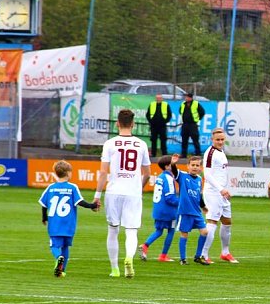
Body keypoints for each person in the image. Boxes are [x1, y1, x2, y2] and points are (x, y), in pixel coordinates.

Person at [94, 109, 152, 279]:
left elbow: (103, 172)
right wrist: (139, 188)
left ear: (117, 123)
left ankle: (115, 269)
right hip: (133, 193)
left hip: (113, 192)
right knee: (131, 231)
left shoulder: (110, 144)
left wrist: (97, 195)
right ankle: (129, 258)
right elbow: (147, 173)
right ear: (133, 124)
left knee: (113, 230)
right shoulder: (141, 144)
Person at [39, 160, 98, 277]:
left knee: (55, 246)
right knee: (65, 246)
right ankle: (62, 270)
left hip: (55, 223)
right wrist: (92, 205)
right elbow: (80, 202)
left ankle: (58, 257)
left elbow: (43, 204)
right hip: (69, 224)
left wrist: (44, 217)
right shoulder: (72, 187)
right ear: (68, 173)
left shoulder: (51, 188)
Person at [201, 128, 237, 264]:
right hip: (213, 192)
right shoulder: (210, 153)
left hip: (222, 192)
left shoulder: (221, 152)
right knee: (212, 221)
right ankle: (204, 254)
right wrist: (221, 189)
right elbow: (208, 174)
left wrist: (223, 189)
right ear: (212, 139)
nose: (220, 142)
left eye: (222, 139)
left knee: (227, 222)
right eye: (217, 139)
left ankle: (225, 252)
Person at [171, 154, 210, 265]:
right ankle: (183, 259)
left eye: (197, 165)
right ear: (188, 166)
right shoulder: (183, 176)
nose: (195, 167)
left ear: (200, 168)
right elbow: (174, 171)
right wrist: (173, 163)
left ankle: (198, 256)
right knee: (184, 234)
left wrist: (203, 206)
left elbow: (199, 195)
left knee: (204, 232)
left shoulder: (199, 179)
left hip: (196, 212)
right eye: (192, 165)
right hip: (185, 212)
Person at [139, 155, 179, 262]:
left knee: (159, 231)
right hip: (168, 211)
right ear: (167, 166)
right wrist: (182, 203)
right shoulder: (169, 178)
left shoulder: (160, 177)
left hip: (158, 209)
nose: (175, 165)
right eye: (172, 163)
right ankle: (163, 256)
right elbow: (170, 197)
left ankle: (145, 245)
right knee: (171, 230)